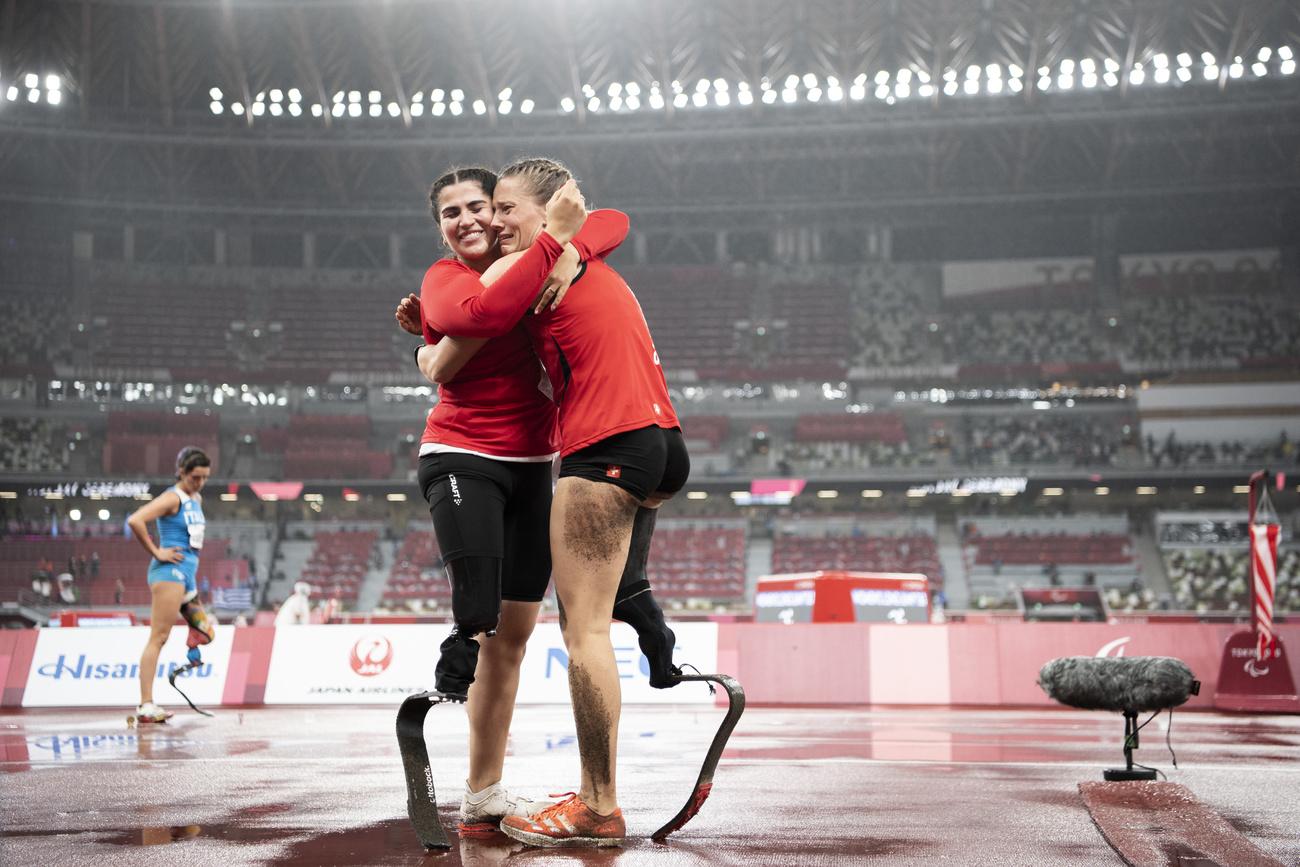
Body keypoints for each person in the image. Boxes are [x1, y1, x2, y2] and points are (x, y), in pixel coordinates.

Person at [408, 158, 687, 847]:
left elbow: (605, 222)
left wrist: (566, 243)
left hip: (603, 442)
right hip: (662, 442)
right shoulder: (537, 266)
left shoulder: (547, 264)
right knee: (603, 597)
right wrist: (429, 342)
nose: (490, 221)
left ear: (552, 211)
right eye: (471, 212)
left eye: (500, 208)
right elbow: (469, 315)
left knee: (582, 631)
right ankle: (653, 633)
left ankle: (597, 804)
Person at [125, 447, 216, 724]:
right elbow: (135, 520)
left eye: (204, 478)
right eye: (194, 477)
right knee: (159, 637)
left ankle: (191, 647)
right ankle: (146, 705)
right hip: (168, 574)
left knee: (206, 632)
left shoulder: (195, 498)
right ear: (182, 472)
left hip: (186, 576)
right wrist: (157, 552)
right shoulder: (171, 498)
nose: (199, 483)